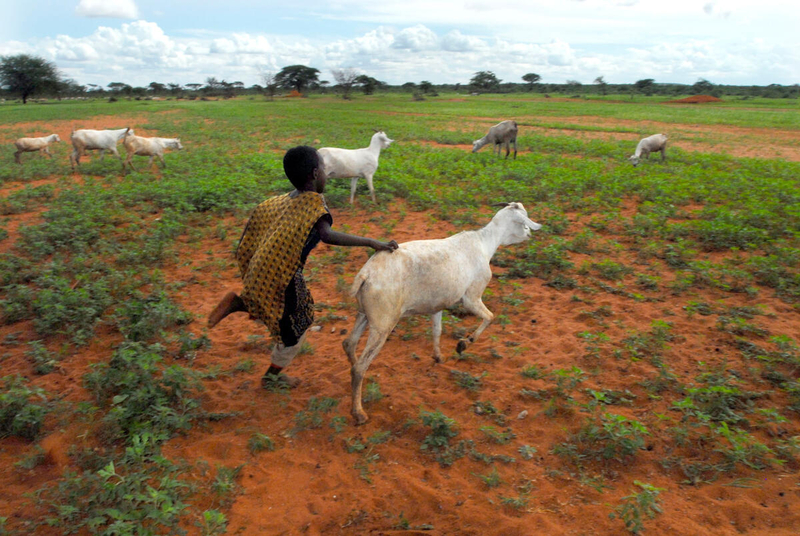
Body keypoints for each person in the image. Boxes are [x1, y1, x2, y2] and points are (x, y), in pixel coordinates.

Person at [208, 145, 398, 388]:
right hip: (283, 277)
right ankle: (271, 377)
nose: (326, 172)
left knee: (284, 309)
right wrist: (372, 242)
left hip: (261, 270)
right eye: (323, 167)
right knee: (297, 325)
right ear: (314, 174)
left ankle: (242, 303)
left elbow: (252, 229)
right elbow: (328, 235)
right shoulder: (314, 207)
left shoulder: (280, 201)